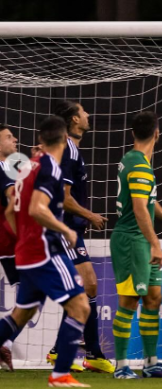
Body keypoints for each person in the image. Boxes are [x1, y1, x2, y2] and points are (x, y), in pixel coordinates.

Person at [0, 116, 90, 387]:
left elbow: (9, 210)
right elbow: (37, 209)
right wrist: (66, 230)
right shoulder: (50, 166)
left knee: (21, 315)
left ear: (42, 139)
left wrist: (23, 239)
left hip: (27, 253)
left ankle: (60, 373)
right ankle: (60, 374)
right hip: (44, 252)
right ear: (64, 140)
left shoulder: (27, 167)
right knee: (80, 307)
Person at [111, 111, 162, 379]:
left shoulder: (134, 160)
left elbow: (148, 203)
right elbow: (140, 209)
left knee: (153, 298)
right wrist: (156, 244)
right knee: (129, 301)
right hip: (133, 240)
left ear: (134, 133)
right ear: (157, 134)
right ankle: (121, 365)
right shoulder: (140, 166)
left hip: (141, 238)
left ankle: (152, 363)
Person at [46, 101, 113, 373]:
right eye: (84, 112)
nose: (88, 115)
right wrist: (91, 215)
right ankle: (86, 353)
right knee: (88, 286)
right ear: (75, 119)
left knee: (84, 289)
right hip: (64, 229)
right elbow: (64, 198)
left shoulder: (72, 150)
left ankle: (71, 351)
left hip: (70, 229)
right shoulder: (69, 149)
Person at [0, 124, 19, 371]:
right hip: (9, 241)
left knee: (28, 295)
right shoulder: (4, 170)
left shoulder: (11, 168)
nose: (14, 139)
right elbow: (14, 198)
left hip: (9, 241)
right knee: (30, 296)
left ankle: (6, 346)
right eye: (8, 136)